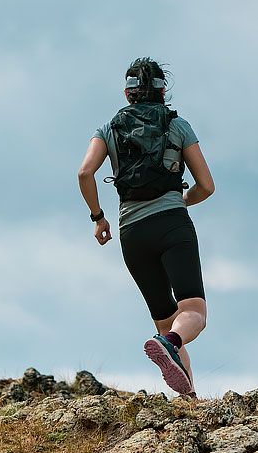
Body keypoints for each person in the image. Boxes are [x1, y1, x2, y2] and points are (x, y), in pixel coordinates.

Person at [77, 57, 215, 397]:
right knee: (193, 311)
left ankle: (189, 398)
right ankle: (169, 344)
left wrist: (98, 217)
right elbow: (206, 186)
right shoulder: (178, 126)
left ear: (127, 93)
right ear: (163, 92)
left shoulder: (108, 129)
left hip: (131, 232)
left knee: (165, 319)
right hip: (171, 224)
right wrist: (180, 202)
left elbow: (84, 173)